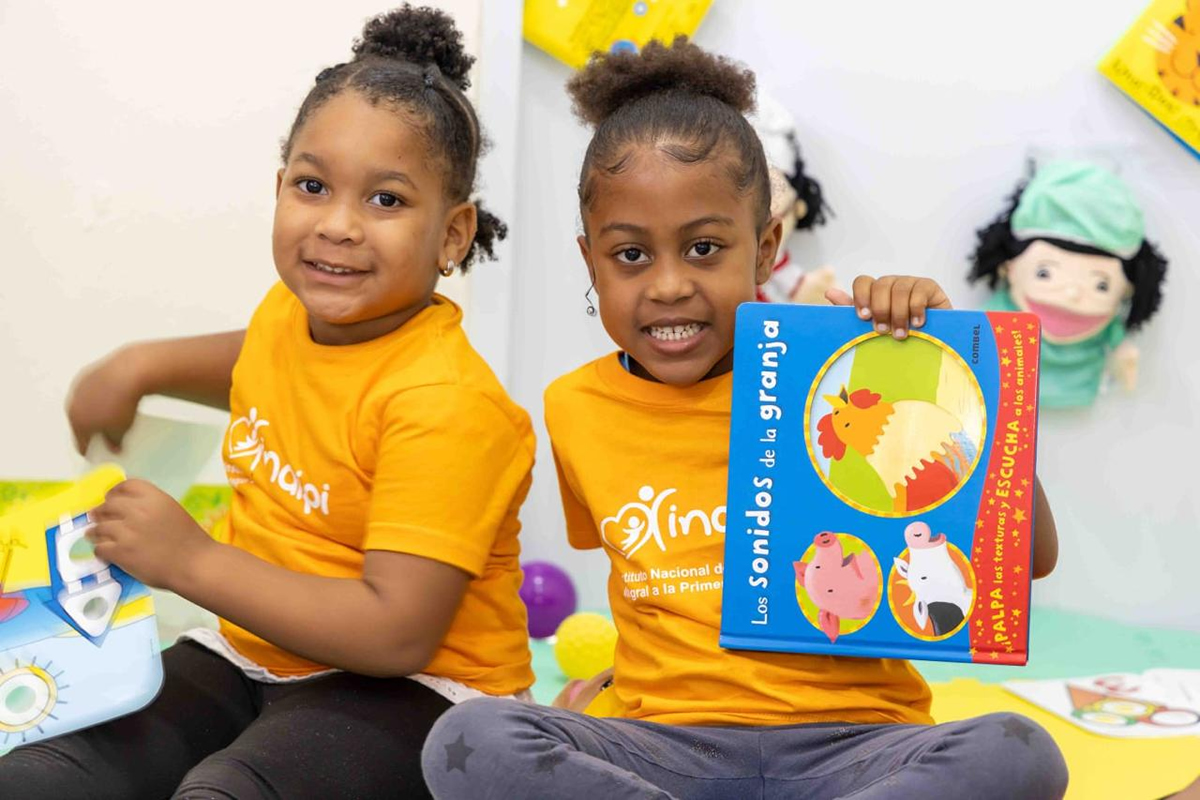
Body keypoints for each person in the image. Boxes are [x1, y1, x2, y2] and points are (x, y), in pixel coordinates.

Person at [422, 36, 1066, 800]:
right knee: (469, 737)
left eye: (703, 248)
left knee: (1020, 750)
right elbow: (655, 602)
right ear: (590, 260)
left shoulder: (848, 373)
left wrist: (954, 372)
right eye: (630, 256)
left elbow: (1026, 557)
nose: (667, 286)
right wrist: (608, 706)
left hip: (858, 746)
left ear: (764, 249)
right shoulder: (574, 407)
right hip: (665, 747)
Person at [0, 7, 534, 799]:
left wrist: (193, 561)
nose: (339, 226)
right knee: (43, 773)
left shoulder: (448, 404)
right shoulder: (295, 315)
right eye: (312, 187)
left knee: (228, 793)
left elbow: (396, 633)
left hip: (414, 691)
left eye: (386, 200)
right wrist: (142, 366)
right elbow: (262, 363)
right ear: (280, 186)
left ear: (454, 235)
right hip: (250, 650)